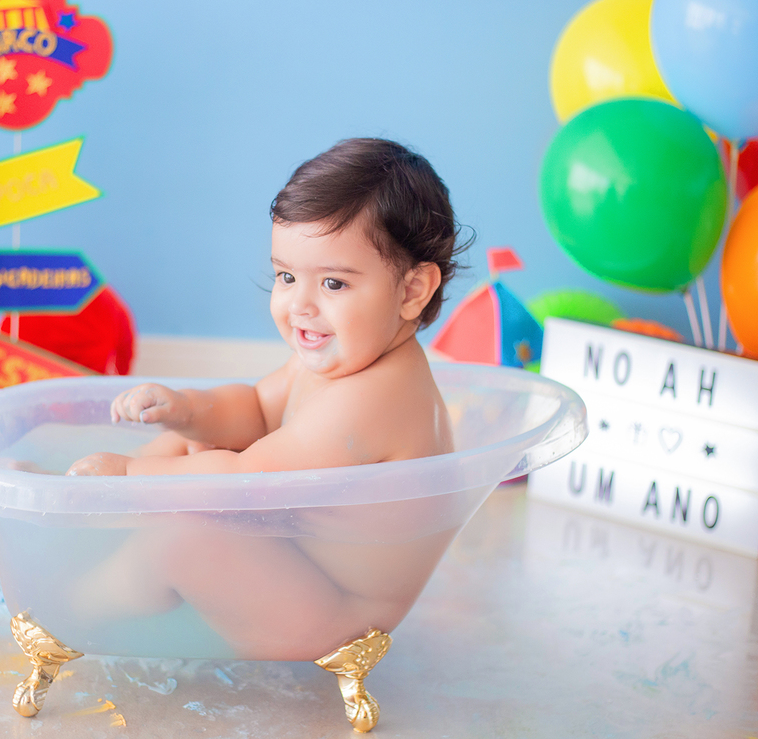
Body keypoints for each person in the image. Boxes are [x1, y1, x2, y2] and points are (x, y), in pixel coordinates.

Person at [64, 138, 472, 659]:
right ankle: (84, 506)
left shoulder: (378, 397)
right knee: (192, 446)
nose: (299, 304)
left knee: (182, 534)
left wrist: (127, 475)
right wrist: (188, 409)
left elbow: (243, 481)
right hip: (297, 561)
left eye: (333, 283)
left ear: (413, 291)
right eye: (286, 276)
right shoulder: (344, 357)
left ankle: (74, 609)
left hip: (334, 614)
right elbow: (257, 409)